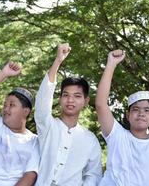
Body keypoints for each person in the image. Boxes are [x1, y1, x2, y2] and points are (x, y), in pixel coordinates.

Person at [95, 50, 149, 186]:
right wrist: (111, 64)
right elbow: (100, 104)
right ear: (128, 115)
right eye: (135, 109)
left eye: (147, 110)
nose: (141, 114)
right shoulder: (117, 136)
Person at [34, 43, 102, 186]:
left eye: (77, 96)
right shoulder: (48, 126)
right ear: (60, 99)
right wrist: (58, 61)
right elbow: (43, 99)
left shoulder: (90, 140)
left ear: (85, 101)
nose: (70, 100)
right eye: (66, 95)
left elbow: (93, 175)